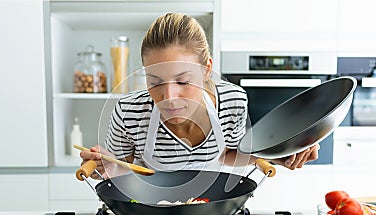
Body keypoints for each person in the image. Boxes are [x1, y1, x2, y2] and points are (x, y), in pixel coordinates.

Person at [80, 13, 320, 179]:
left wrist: (279, 155)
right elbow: (120, 173)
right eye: (155, 82)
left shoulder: (233, 101)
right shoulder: (129, 111)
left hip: (206, 210)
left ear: (206, 69)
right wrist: (105, 167)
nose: (169, 97)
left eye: (183, 81)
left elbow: (229, 154)